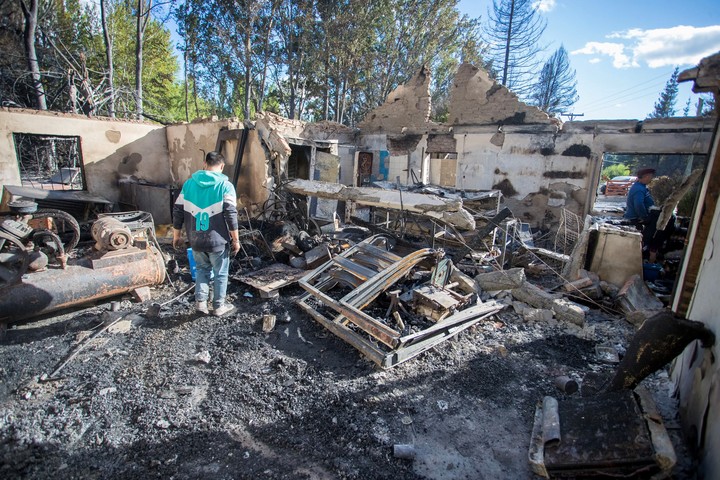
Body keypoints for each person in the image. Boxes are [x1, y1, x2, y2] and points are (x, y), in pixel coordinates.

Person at [173, 151, 241, 316]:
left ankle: (201, 305)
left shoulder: (189, 184)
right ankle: (219, 307)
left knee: (202, 270)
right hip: (217, 241)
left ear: (205, 164)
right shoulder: (226, 186)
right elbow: (231, 214)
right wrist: (236, 240)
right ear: (222, 166)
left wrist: (176, 236)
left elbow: (178, 211)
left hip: (195, 239)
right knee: (220, 273)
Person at [624, 167, 662, 263]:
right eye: (650, 177)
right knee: (641, 242)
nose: (651, 179)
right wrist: (644, 217)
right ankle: (636, 260)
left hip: (638, 218)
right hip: (635, 219)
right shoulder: (638, 189)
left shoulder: (641, 187)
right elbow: (638, 204)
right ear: (645, 177)